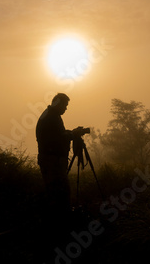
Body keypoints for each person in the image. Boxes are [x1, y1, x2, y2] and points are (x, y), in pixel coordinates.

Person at [36, 93, 84, 224]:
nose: (66, 109)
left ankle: (56, 221)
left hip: (49, 159)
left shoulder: (49, 115)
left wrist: (71, 133)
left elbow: (58, 135)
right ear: (58, 104)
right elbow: (57, 138)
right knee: (60, 192)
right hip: (52, 161)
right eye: (65, 105)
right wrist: (73, 134)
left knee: (54, 192)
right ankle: (61, 223)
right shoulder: (52, 117)